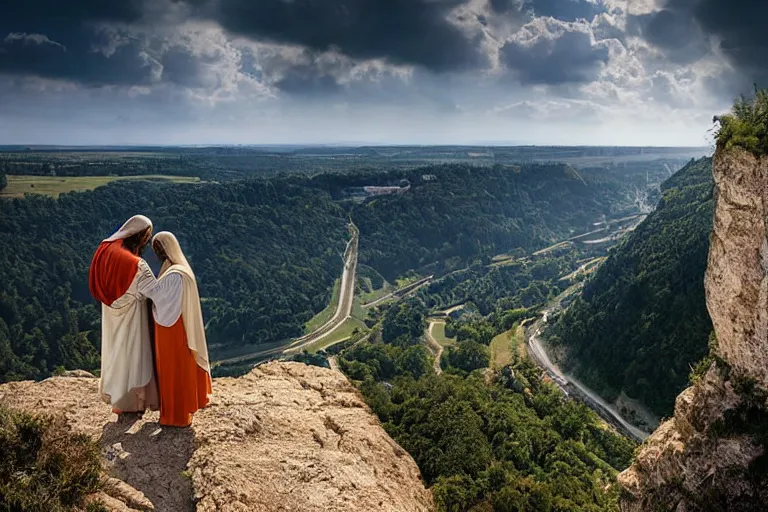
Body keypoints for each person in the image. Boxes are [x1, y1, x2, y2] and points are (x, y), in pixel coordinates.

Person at [89, 215, 159, 415]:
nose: (147, 240)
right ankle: (133, 401)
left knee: (116, 351)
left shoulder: (105, 250)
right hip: (133, 315)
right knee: (133, 354)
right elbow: (155, 292)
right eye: (146, 236)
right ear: (140, 235)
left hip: (110, 311)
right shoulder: (137, 265)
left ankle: (118, 399)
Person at [149, 231, 212, 427]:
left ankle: (176, 416)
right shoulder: (181, 270)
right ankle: (181, 411)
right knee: (178, 369)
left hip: (171, 329)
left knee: (172, 371)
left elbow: (161, 301)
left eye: (158, 249)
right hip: (178, 327)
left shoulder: (174, 275)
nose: (157, 254)